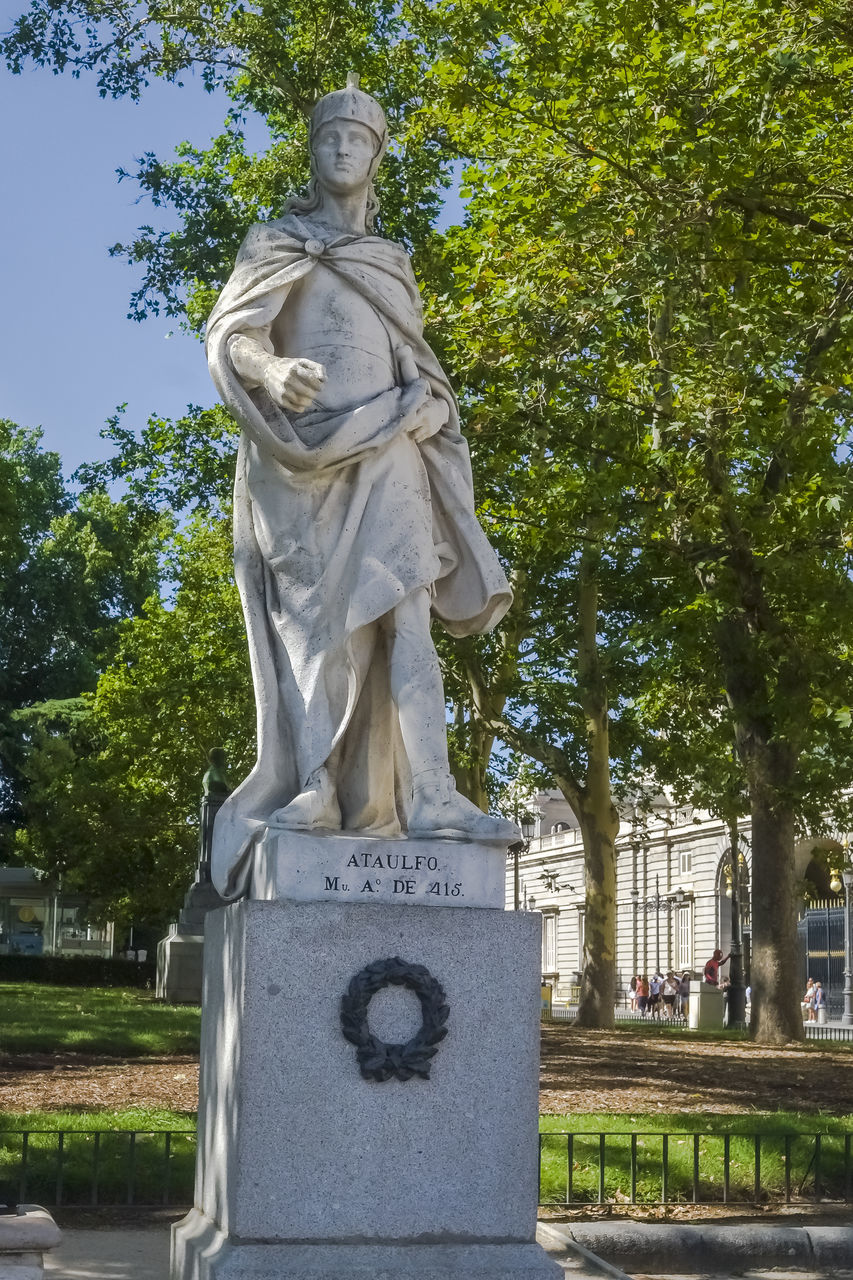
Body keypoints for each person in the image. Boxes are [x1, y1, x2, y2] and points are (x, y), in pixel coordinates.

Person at [206, 76, 516, 895]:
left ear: (376, 156)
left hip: (388, 451)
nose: (342, 149)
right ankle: (313, 784)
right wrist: (270, 367)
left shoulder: (389, 259)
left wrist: (426, 412)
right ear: (310, 152)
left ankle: (435, 797)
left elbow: (425, 368)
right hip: (299, 463)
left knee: (405, 613)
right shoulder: (273, 239)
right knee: (320, 632)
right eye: (328, 138)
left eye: (358, 140)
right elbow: (231, 335)